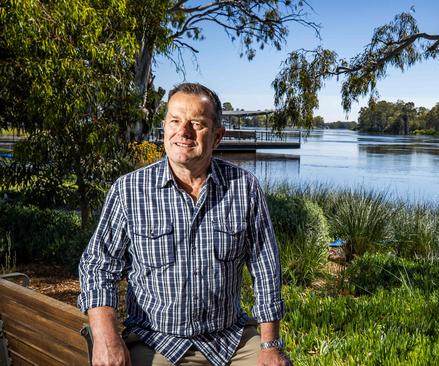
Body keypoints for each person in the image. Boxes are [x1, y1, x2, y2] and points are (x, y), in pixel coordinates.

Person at [78, 83, 290, 366]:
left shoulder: (244, 188)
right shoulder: (128, 190)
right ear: (164, 128)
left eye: (197, 124)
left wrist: (270, 344)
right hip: (155, 340)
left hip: (230, 339)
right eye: (175, 121)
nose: (184, 131)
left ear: (217, 137)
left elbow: (266, 269)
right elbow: (98, 267)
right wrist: (106, 339)